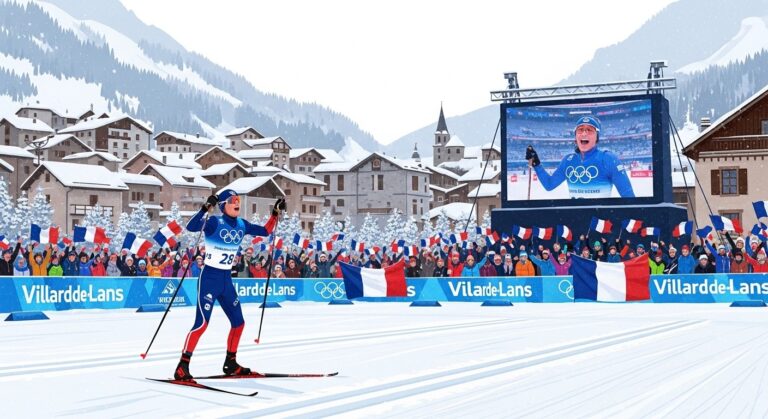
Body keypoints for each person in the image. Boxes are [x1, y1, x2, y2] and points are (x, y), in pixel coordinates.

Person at [173, 190, 285, 381]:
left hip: (226, 280)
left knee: (239, 323)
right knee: (201, 324)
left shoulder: (242, 224)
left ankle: (230, 363)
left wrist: (275, 213)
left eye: (239, 200)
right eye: (233, 201)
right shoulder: (216, 222)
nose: (237, 203)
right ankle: (182, 366)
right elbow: (192, 226)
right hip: (209, 278)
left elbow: (265, 231)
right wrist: (205, 207)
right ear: (224, 204)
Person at [526, 116, 635, 199]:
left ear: (597, 137)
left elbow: (629, 198)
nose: (584, 133)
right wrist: (537, 164)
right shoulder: (568, 160)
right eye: (580, 130)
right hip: (574, 222)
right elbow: (549, 185)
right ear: (575, 136)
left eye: (589, 130)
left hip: (600, 225)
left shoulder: (608, 159)